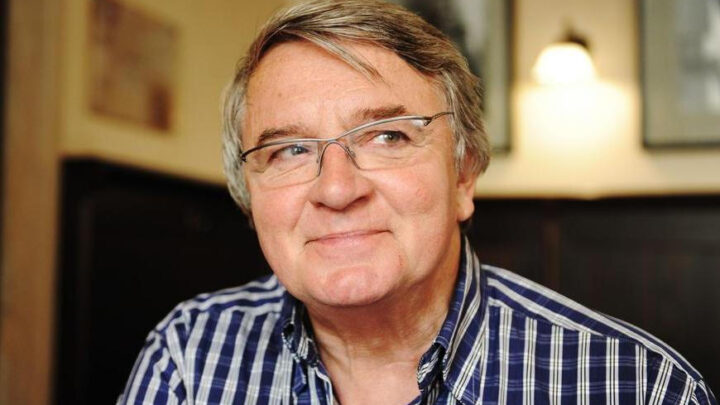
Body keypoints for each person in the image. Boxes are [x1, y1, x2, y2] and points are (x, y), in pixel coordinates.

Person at [119, 1, 716, 404]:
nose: (336, 190)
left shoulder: (635, 386)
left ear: (464, 174)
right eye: (291, 151)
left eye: (387, 137)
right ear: (249, 196)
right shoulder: (189, 357)